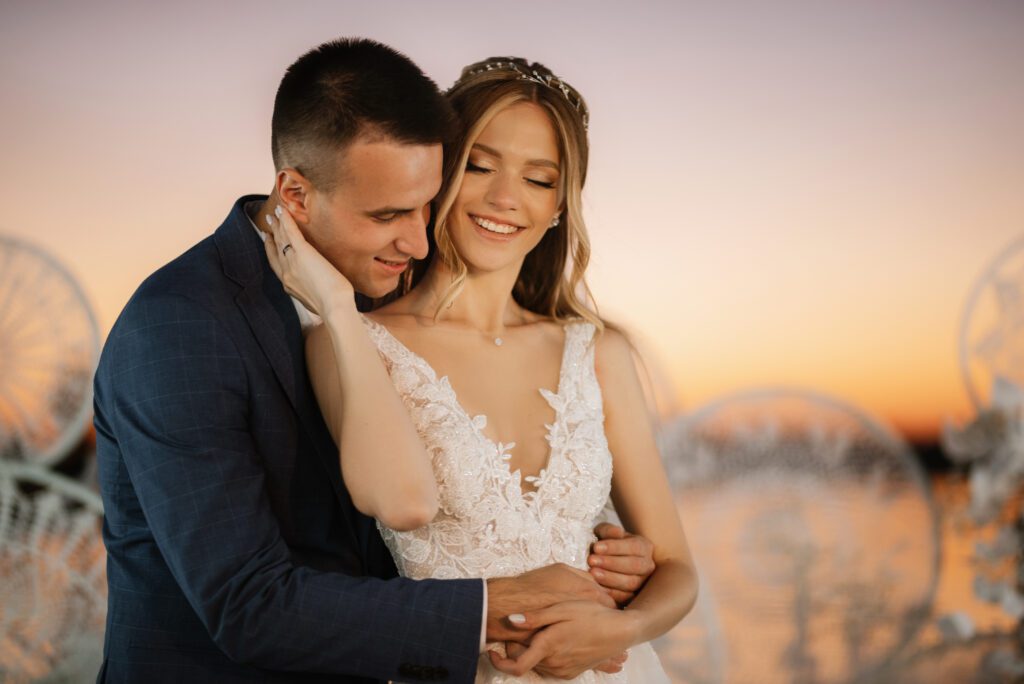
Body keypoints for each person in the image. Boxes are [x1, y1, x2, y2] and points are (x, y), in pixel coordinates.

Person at [92, 40, 658, 684]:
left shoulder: (383, 281)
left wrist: (606, 553)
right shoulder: (178, 325)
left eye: (426, 205)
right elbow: (246, 605)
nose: (418, 241)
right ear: (295, 194)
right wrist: (498, 606)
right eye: (389, 214)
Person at [266, 57, 698, 682]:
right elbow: (400, 503)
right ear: (438, 174)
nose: (504, 198)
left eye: (539, 179)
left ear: (559, 205)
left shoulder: (598, 352)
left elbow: (678, 571)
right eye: (480, 165)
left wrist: (623, 627)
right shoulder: (351, 344)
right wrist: (336, 305)